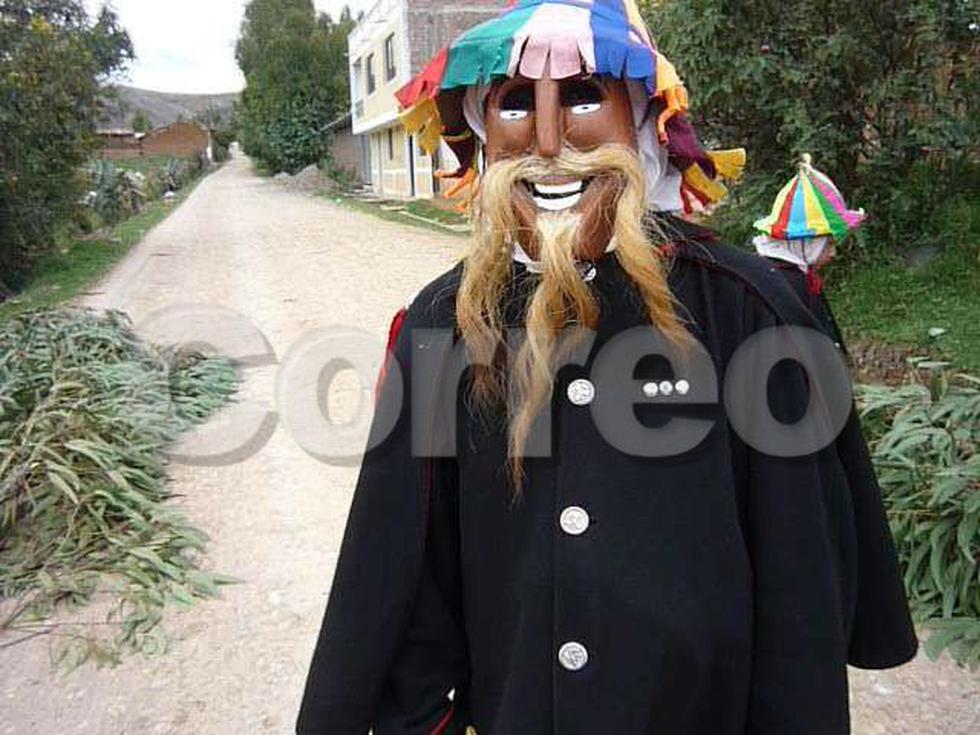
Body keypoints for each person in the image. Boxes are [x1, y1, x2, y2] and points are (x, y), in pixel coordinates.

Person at [297, 2, 917, 733]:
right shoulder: (444, 324)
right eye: (516, 104)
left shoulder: (749, 313)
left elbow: (800, 587)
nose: (549, 140)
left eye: (584, 96)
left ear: (644, 121)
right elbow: (409, 573)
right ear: (483, 133)